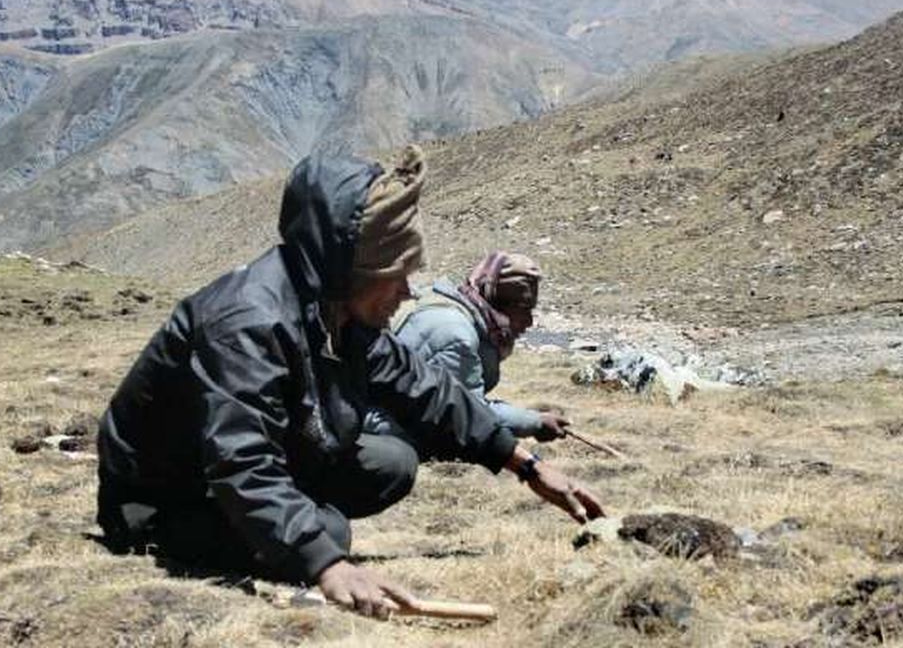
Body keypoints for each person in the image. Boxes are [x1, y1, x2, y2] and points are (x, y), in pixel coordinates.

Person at [96, 146, 604, 620]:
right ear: (352, 267)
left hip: (235, 464)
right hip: (166, 494)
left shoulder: (341, 311)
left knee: (390, 463)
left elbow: (424, 388)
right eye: (396, 273)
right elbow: (240, 457)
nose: (407, 291)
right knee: (329, 532)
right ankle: (211, 532)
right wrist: (325, 564)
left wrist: (526, 464)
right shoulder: (248, 321)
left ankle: (284, 519)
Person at [368, 251, 569, 443]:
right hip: (374, 427)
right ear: (496, 303)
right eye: (523, 309)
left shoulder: (443, 303)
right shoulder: (456, 335)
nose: (529, 322)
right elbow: (469, 414)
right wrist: (535, 422)